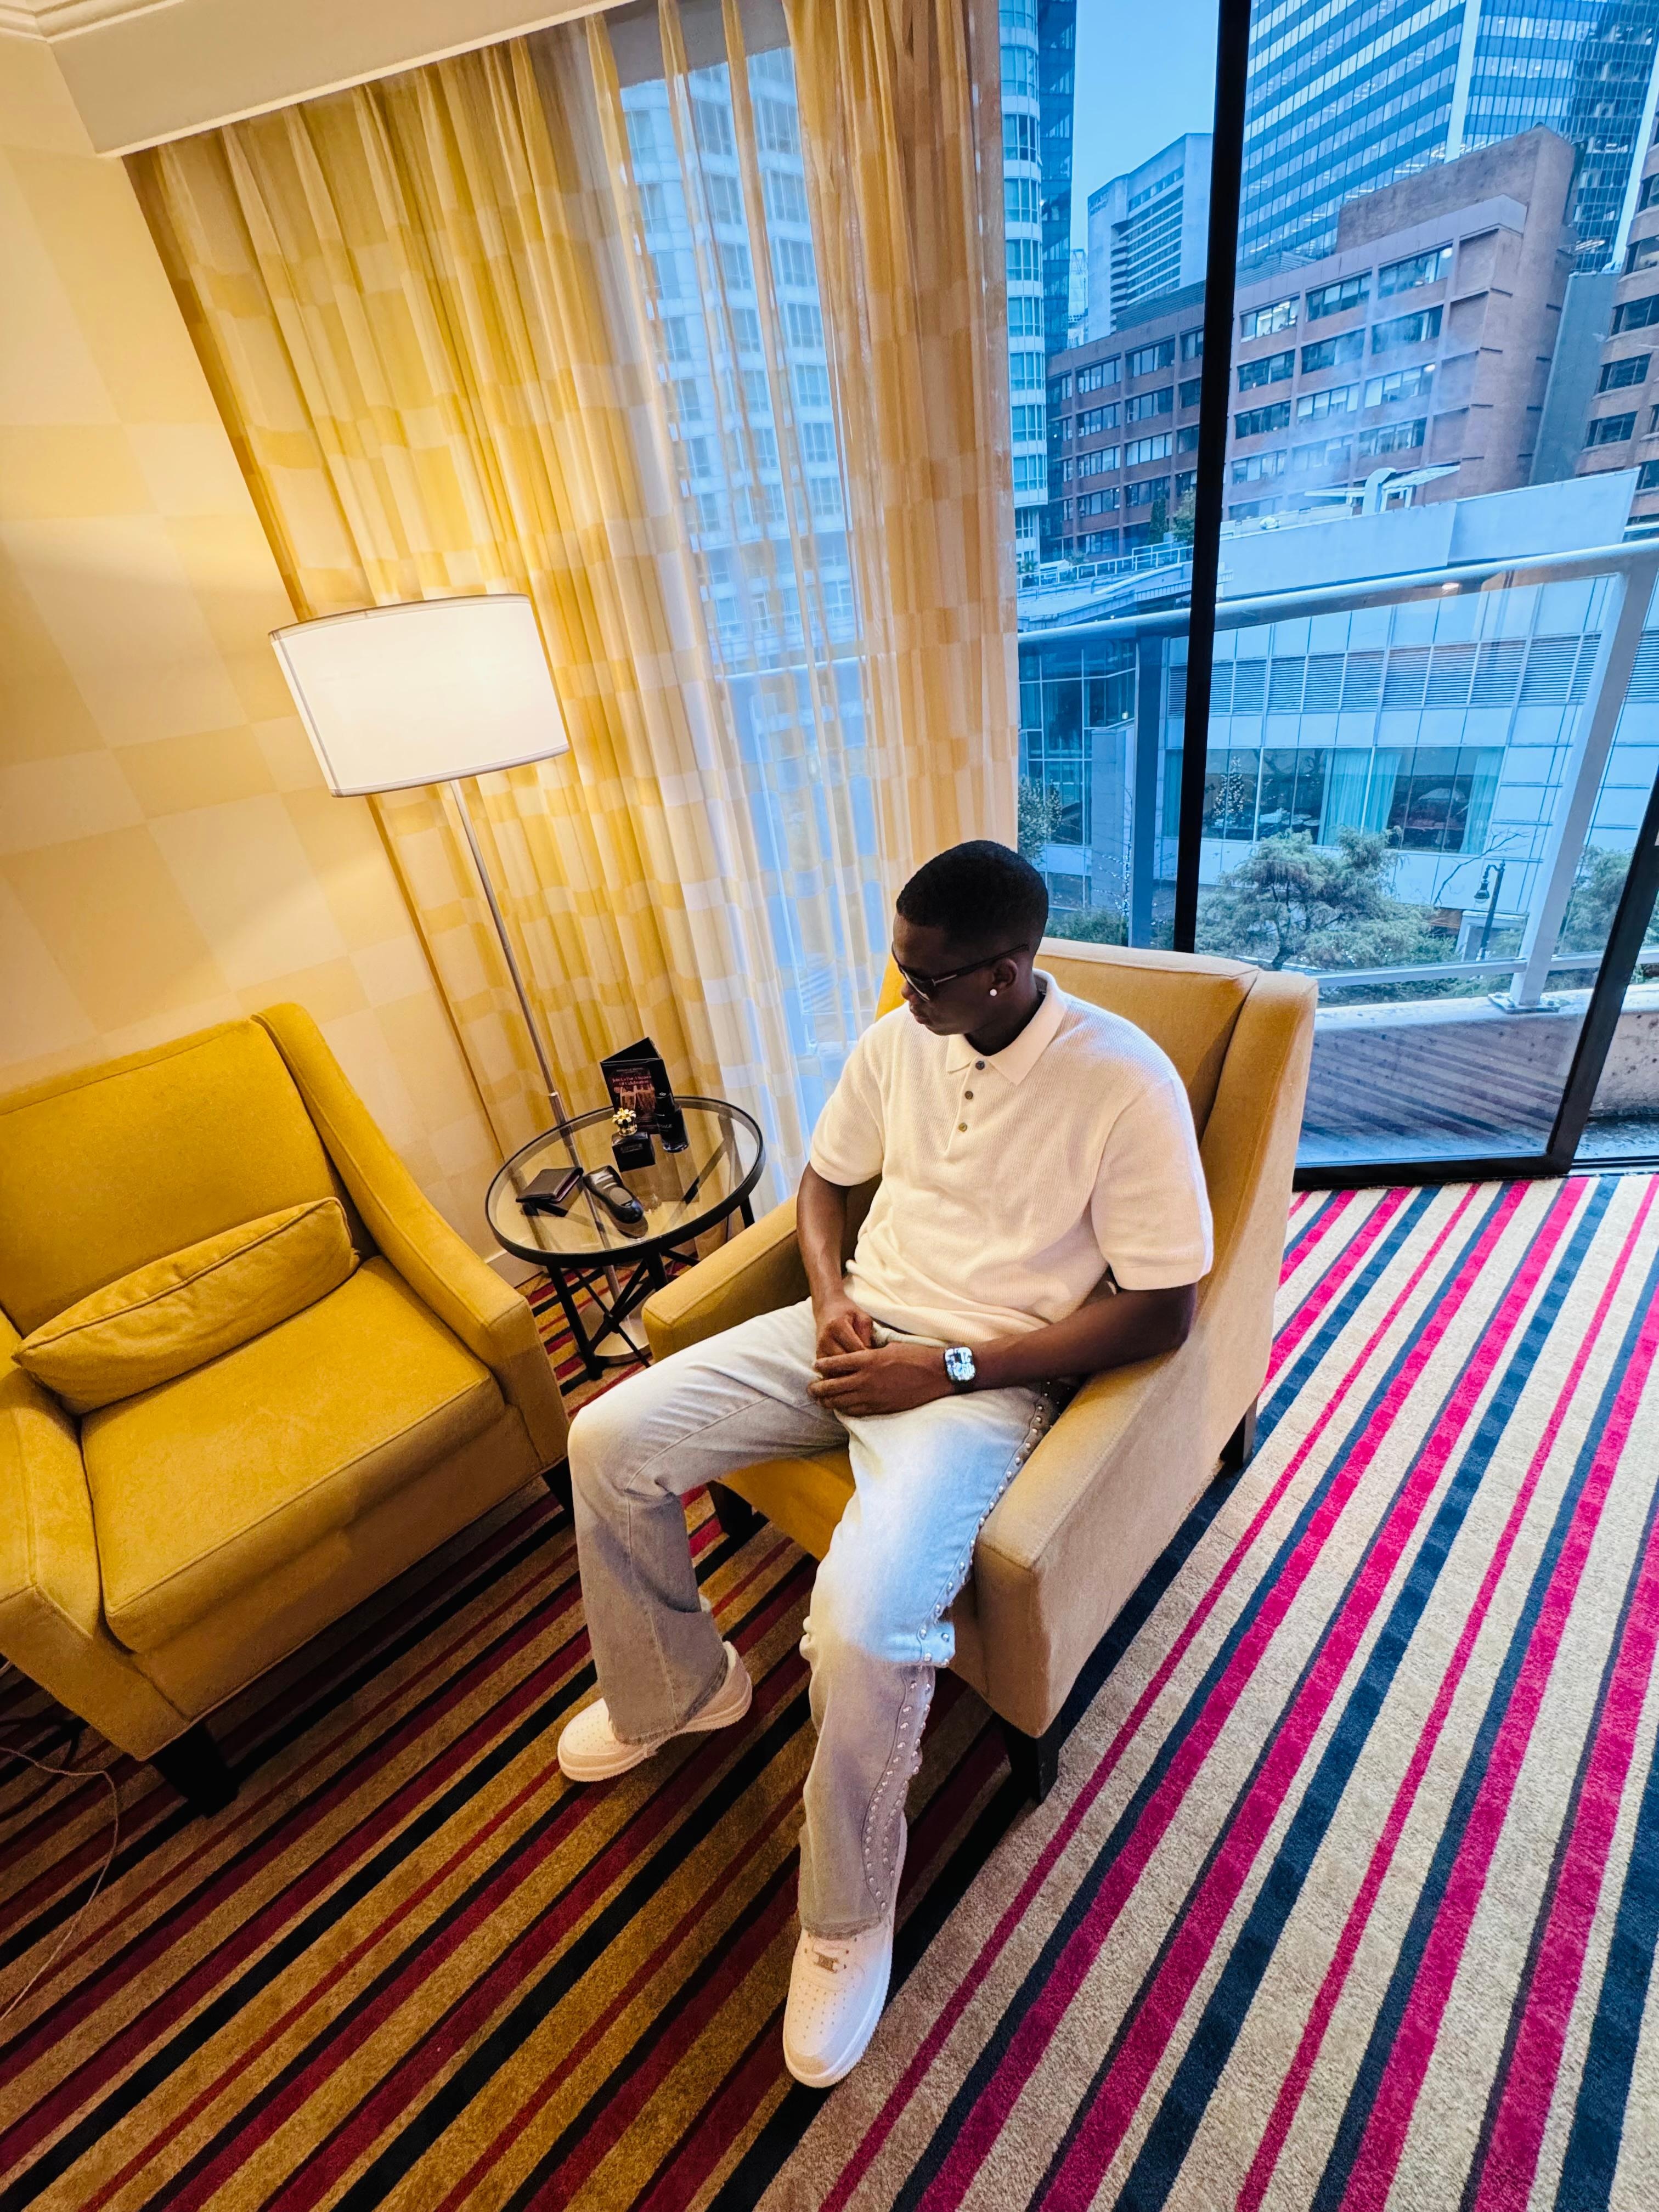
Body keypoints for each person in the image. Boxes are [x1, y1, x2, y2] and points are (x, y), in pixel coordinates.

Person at [557, 840, 1212, 2086]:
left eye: (926, 978)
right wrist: (827, 1301)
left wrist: (949, 1369)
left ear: (1006, 973)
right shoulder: (899, 1042)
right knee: (608, 1438)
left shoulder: (1124, 1084)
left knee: (860, 1626)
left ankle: (848, 1918)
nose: (902, 995)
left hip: (977, 1384)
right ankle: (680, 1690)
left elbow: (1164, 1313)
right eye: (899, 968)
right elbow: (824, 1183)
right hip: (850, 1331)